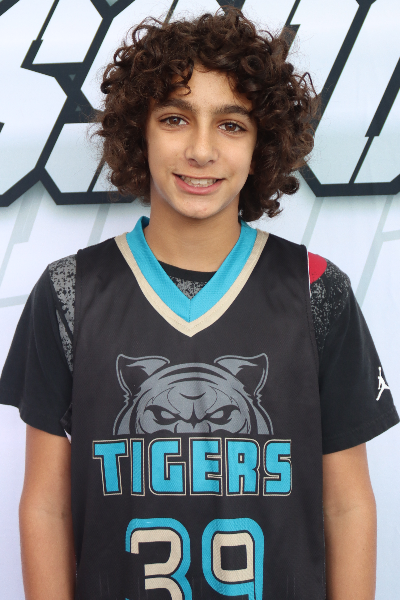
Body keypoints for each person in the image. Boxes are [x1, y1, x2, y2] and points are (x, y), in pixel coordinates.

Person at [0, 8, 398, 600]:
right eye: (175, 119)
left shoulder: (317, 289)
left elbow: (346, 503)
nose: (202, 149)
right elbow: (46, 504)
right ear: (139, 132)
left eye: (232, 124)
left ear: (262, 142)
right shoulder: (68, 290)